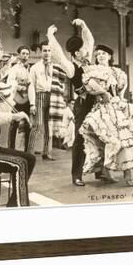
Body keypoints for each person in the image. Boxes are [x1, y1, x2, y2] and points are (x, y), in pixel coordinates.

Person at [45, 19, 105, 187]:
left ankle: (100, 171)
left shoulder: (89, 62)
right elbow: (57, 53)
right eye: (82, 49)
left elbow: (90, 40)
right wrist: (50, 35)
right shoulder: (71, 67)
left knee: (101, 135)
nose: (86, 50)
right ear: (76, 53)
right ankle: (76, 175)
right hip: (84, 105)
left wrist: (84, 25)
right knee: (80, 138)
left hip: (98, 103)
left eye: (85, 49)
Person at [79, 44, 133, 187]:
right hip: (102, 108)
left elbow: (120, 91)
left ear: (109, 56)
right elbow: (92, 87)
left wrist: (120, 100)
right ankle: (106, 172)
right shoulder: (93, 71)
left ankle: (128, 171)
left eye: (104, 53)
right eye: (98, 54)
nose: (100, 56)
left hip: (116, 107)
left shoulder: (117, 72)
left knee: (124, 137)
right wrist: (103, 92)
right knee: (108, 139)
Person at [0, 88, 36, 207]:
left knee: (30, 159)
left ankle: (14, 203)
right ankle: (21, 208)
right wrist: (14, 116)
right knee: (19, 164)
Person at [27, 41, 67, 160]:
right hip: (39, 96)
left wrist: (61, 100)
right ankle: (29, 153)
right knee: (37, 125)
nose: (47, 53)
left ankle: (46, 152)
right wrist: (32, 103)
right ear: (40, 52)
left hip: (53, 97)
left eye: (49, 50)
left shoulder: (57, 67)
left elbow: (62, 84)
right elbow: (31, 86)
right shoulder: (35, 67)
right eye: (45, 50)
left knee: (49, 126)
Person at [6, 45, 32, 151]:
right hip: (17, 99)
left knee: (27, 124)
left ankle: (26, 149)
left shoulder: (29, 68)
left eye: (27, 54)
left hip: (27, 99)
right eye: (23, 53)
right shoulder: (14, 68)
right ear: (19, 55)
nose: (25, 56)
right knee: (14, 123)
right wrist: (18, 86)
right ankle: (11, 148)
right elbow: (10, 81)